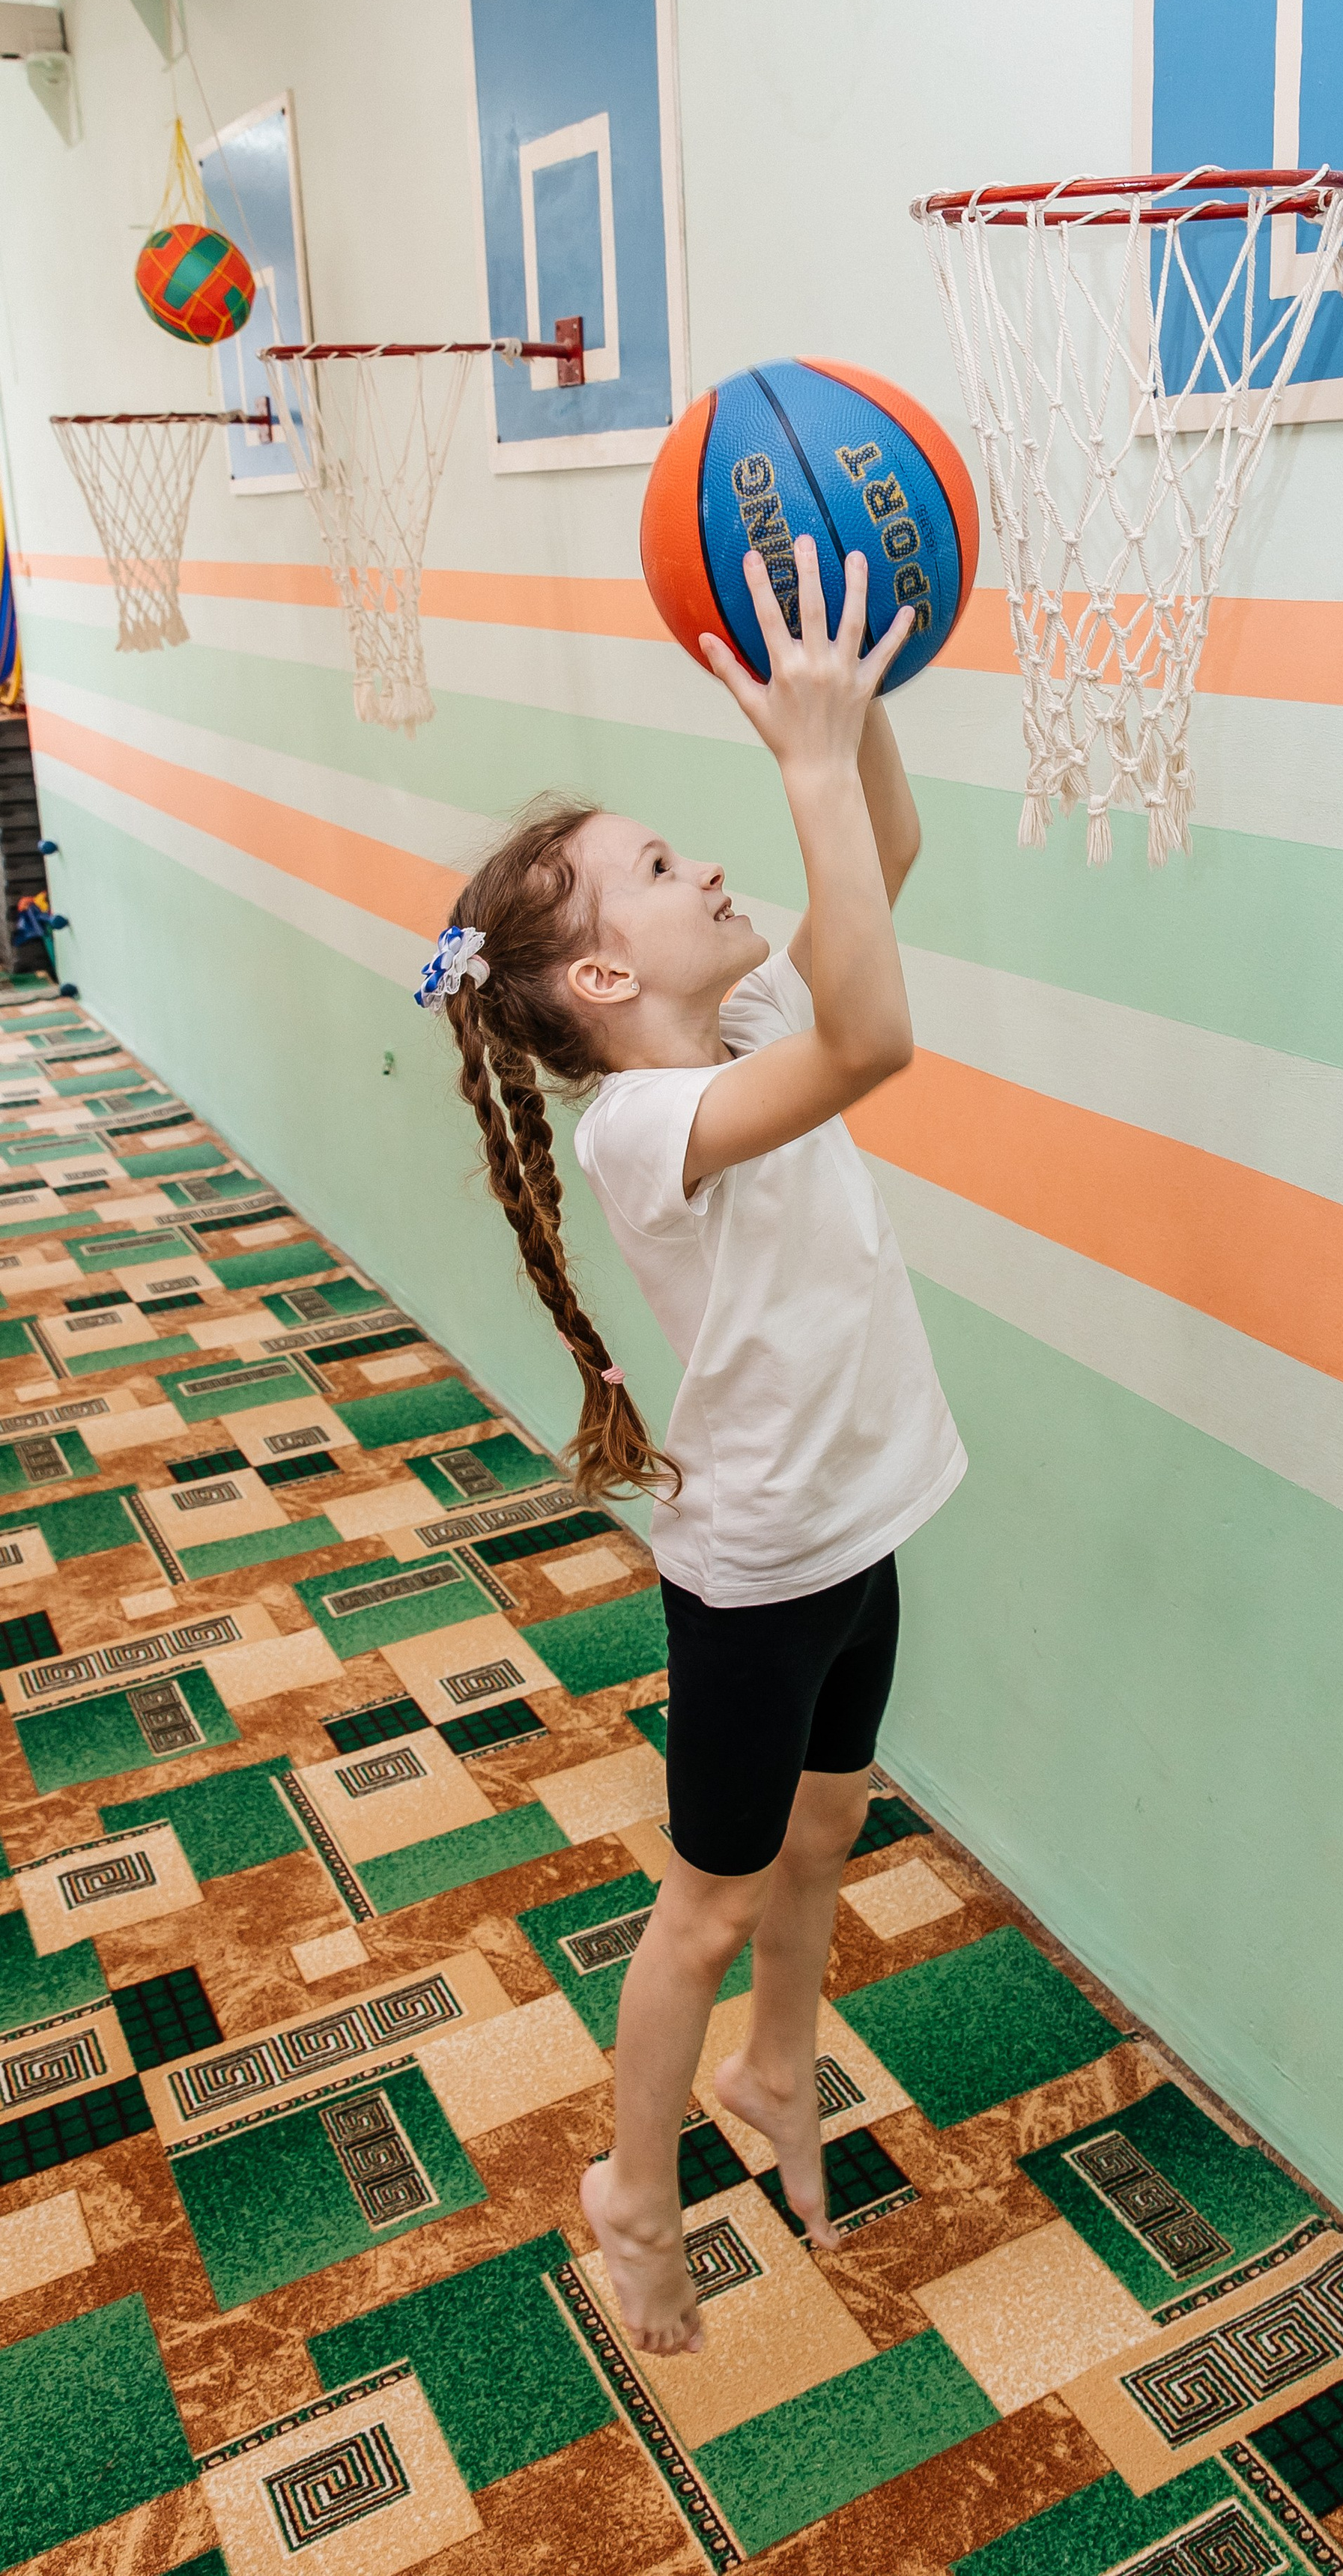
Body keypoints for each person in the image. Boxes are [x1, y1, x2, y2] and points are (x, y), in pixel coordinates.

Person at [416, 535, 964, 2355]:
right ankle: (631, 2188)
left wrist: (852, 723)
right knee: (705, 1905)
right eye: (658, 867)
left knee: (825, 1834)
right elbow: (879, 1027)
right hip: (756, 1574)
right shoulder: (644, 1129)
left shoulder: (735, 1020)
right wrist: (800, 766)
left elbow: (874, 871)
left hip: (859, 1526)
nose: (708, 858)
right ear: (592, 983)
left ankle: (778, 2079)